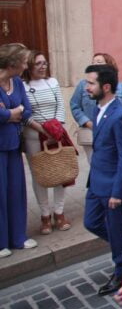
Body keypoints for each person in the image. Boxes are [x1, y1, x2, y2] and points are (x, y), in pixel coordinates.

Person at [82, 64, 122, 295]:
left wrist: (118, 192)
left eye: (91, 83)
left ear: (106, 87)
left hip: (112, 186)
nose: (86, 87)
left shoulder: (120, 116)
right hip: (96, 181)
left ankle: (121, 272)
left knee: (114, 228)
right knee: (91, 223)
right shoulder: (97, 109)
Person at [22, 51, 72, 234]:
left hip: (55, 134)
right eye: (38, 64)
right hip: (33, 136)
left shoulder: (53, 82)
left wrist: (55, 129)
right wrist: (43, 130)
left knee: (60, 172)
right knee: (40, 176)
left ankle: (59, 212)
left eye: (45, 63)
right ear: (29, 65)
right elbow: (24, 114)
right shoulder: (22, 86)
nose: (43, 66)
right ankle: (45, 214)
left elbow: (60, 105)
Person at [0, 43, 37, 258]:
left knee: (15, 191)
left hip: (13, 144)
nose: (26, 65)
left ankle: (18, 237)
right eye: (23, 61)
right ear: (12, 62)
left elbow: (27, 109)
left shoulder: (17, 83)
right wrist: (8, 115)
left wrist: (12, 112)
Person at [70, 53, 122, 163]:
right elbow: (75, 105)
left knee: (114, 163)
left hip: (113, 133)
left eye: (99, 62)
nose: (95, 64)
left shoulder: (121, 87)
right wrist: (87, 123)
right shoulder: (83, 85)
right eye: (93, 62)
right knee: (94, 164)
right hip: (90, 132)